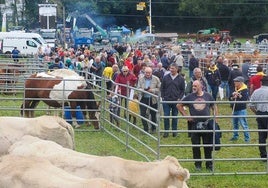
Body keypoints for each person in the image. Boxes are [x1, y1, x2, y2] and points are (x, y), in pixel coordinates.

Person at [177, 80, 218, 171]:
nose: (194, 87)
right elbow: (179, 105)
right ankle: (198, 165)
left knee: (207, 146)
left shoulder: (208, 95)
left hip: (206, 124)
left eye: (196, 86)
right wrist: (186, 116)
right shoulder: (190, 97)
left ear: (201, 86)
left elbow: (214, 106)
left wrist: (215, 118)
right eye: (193, 86)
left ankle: (209, 165)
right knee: (195, 145)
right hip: (194, 124)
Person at [161, 63, 185, 138]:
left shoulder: (181, 79)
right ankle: (166, 132)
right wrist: (163, 97)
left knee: (175, 116)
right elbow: (162, 88)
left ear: (177, 69)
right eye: (171, 68)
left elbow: (182, 90)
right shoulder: (165, 77)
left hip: (176, 101)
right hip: (166, 100)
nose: (171, 70)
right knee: (166, 116)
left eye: (173, 68)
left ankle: (174, 132)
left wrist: (179, 98)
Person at [249, 76, 268, 162]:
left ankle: (263, 156)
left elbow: (251, 105)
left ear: (261, 83)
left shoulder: (256, 92)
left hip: (260, 114)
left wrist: (257, 113)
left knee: (262, 136)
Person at [137, 66, 161, 133]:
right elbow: (138, 88)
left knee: (153, 114)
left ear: (151, 73)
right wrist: (143, 90)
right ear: (144, 72)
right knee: (142, 114)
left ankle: (153, 128)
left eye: (149, 73)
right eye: (146, 72)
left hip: (153, 99)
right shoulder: (141, 79)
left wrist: (152, 90)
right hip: (143, 98)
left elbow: (159, 89)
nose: (148, 74)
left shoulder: (156, 79)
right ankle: (146, 128)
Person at [229, 76, 250, 143]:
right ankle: (235, 136)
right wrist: (232, 96)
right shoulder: (234, 88)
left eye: (236, 81)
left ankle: (247, 139)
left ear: (240, 82)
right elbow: (229, 98)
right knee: (235, 124)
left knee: (243, 124)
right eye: (234, 81)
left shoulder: (245, 90)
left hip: (241, 110)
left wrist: (239, 95)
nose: (234, 82)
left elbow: (245, 99)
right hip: (234, 109)